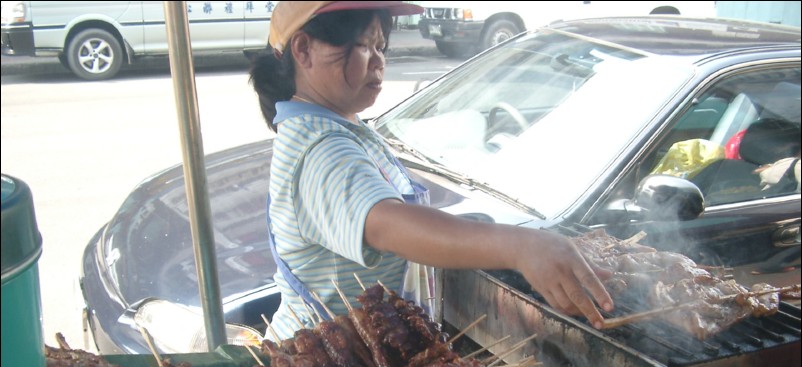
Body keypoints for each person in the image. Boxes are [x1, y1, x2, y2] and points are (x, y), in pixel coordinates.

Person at [249, 0, 613, 340]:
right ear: (303, 49)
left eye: (381, 46)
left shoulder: (337, 124)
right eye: (362, 45)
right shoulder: (321, 149)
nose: (377, 61)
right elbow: (389, 223)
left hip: (370, 352)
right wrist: (520, 246)